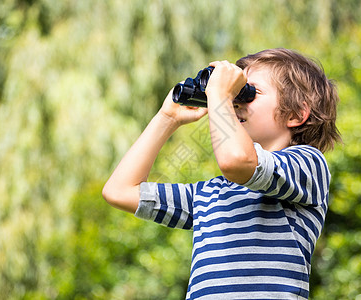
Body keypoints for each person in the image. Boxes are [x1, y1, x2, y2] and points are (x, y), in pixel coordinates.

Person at [102, 48, 341, 299]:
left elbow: (238, 161)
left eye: (249, 93)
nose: (236, 101)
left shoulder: (309, 165)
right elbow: (119, 191)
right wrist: (167, 117)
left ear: (296, 114)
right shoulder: (210, 194)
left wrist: (219, 94)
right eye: (236, 93)